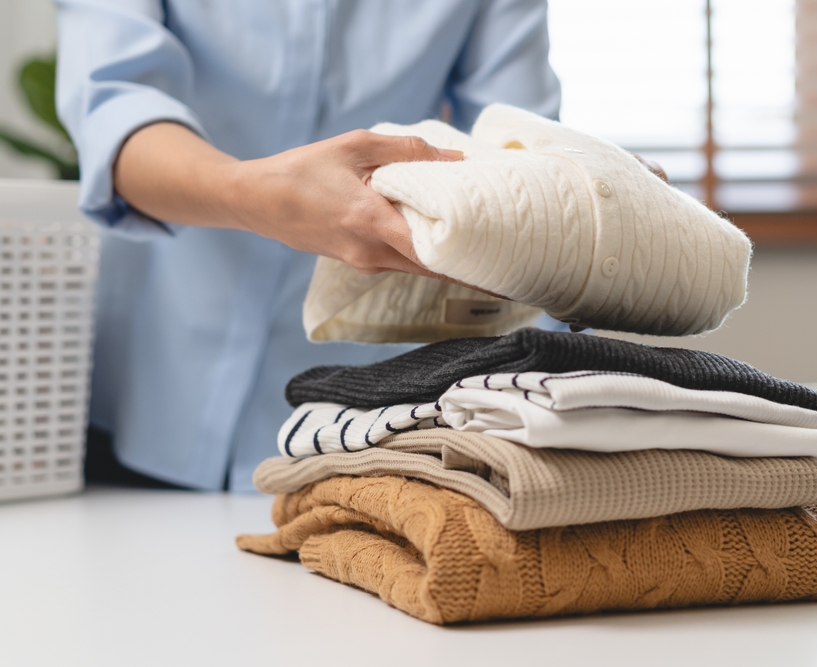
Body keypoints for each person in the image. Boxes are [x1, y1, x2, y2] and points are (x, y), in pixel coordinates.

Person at [54, 0, 563, 491]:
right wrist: (257, 195)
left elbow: (515, 153)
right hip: (139, 384)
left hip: (355, 421)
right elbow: (115, 109)